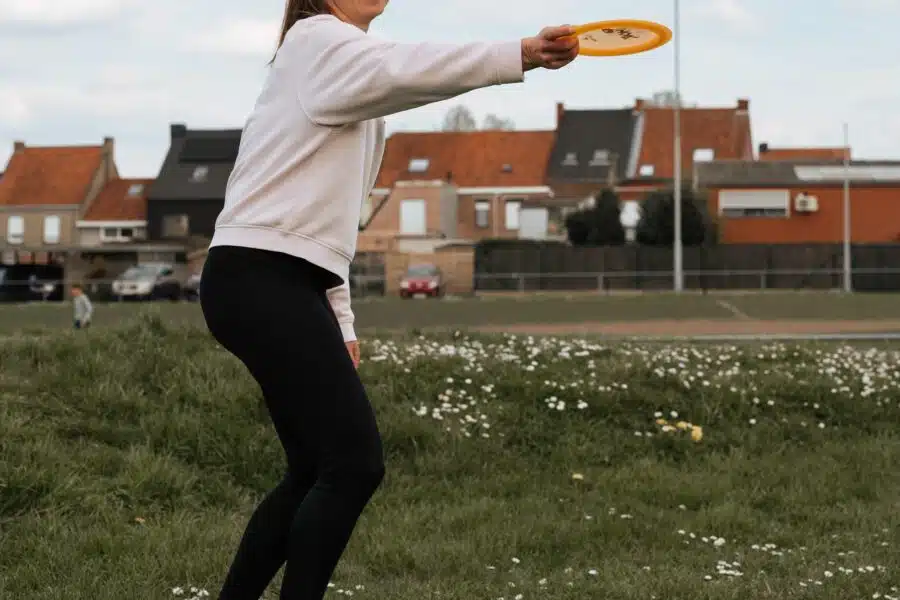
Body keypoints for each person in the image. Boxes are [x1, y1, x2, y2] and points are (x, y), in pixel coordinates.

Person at [198, 1, 579, 599]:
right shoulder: (318, 41)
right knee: (354, 465)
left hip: (277, 279)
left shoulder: (339, 62)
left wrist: (341, 318)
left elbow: (324, 220)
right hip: (259, 277)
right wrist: (521, 53)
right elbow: (409, 68)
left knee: (312, 469)